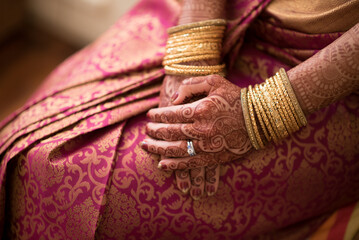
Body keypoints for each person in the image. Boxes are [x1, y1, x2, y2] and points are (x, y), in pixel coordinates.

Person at [0, 0, 358, 239]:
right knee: (33, 149)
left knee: (68, 176)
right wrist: (193, 49)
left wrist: (260, 114)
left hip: (322, 78)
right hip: (211, 13)